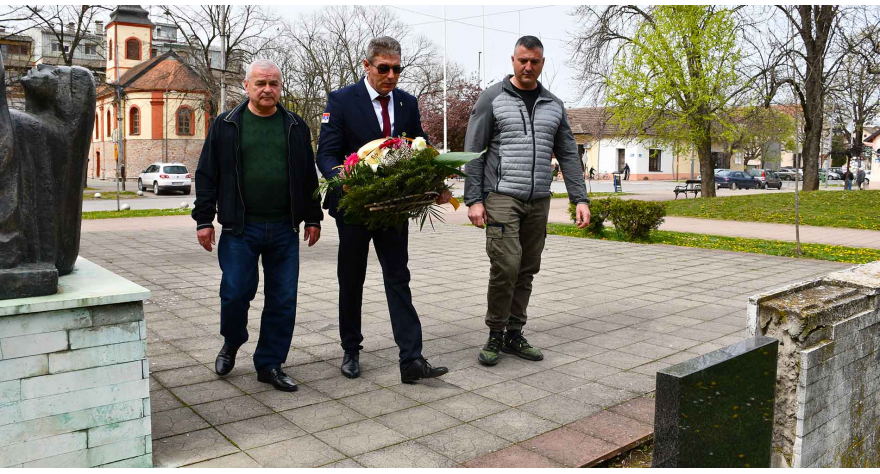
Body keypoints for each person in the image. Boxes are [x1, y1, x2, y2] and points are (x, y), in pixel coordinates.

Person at [316, 36, 449, 384]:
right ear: (367, 66)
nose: (391, 75)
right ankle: (350, 349)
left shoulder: (407, 103)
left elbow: (419, 146)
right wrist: (341, 177)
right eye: (384, 68)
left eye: (397, 69)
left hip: (394, 208)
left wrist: (433, 179)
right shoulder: (342, 100)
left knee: (398, 278)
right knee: (352, 278)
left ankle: (412, 359)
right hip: (355, 207)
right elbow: (326, 154)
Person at [191, 59, 323, 392]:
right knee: (235, 294)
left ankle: (270, 364)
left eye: (274, 83)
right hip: (240, 229)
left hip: (284, 228)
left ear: (280, 87)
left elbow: (308, 175)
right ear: (246, 86)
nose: (267, 89)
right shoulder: (226, 124)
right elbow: (207, 175)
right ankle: (232, 341)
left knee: (283, 300)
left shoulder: (295, 126)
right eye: (260, 83)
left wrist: (313, 216)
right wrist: (204, 219)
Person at [464, 36, 590, 367]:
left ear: (542, 63)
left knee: (527, 268)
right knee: (506, 265)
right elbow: (474, 151)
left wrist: (580, 198)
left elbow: (568, 153)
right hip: (502, 195)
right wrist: (473, 199)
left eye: (534, 61)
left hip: (539, 200)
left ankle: (513, 333)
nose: (528, 67)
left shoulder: (554, 105)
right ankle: (495, 333)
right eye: (522, 60)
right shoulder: (492, 98)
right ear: (513, 60)